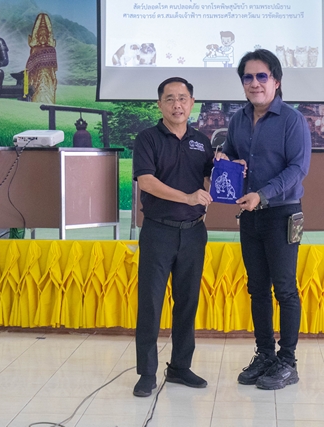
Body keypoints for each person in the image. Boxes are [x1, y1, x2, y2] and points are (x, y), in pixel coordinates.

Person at [216, 49, 311, 390]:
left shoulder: (292, 120)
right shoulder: (239, 119)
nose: (254, 83)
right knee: (257, 288)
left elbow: (298, 168)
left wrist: (263, 194)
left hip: (283, 212)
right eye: (248, 77)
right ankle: (266, 355)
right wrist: (226, 159)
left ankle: (287, 361)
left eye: (261, 76)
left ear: (276, 81)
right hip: (250, 214)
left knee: (284, 288)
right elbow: (231, 154)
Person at [132, 77, 214, 397]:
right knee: (150, 303)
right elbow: (147, 182)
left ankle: (180, 367)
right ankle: (147, 372)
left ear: (192, 103)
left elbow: (211, 178)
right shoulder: (148, 139)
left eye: (182, 98)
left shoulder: (202, 141)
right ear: (160, 104)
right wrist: (188, 198)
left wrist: (227, 170)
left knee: (187, 302)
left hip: (193, 233)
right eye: (170, 99)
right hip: (158, 230)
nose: (177, 104)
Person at [26, 13, 58, 104]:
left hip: (48, 80)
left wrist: (54, 79)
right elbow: (30, 68)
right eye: (41, 35)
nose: (43, 38)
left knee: (49, 101)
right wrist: (30, 80)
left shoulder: (51, 50)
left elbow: (53, 69)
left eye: (45, 36)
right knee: (36, 99)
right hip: (37, 79)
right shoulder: (34, 49)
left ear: (48, 37)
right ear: (37, 36)